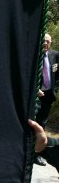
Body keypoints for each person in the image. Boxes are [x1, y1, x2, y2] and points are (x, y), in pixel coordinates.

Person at [35, 33, 59, 166]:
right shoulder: (34, 57)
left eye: (48, 41)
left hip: (48, 97)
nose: (45, 44)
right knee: (31, 122)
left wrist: (53, 88)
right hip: (35, 97)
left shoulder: (55, 55)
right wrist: (34, 89)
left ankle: (37, 154)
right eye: (43, 41)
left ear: (51, 42)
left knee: (42, 123)